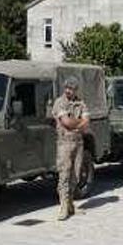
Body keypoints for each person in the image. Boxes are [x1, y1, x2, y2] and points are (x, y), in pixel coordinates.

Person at [52, 76, 90, 221]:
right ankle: (63, 206)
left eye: (72, 88)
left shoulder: (80, 103)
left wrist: (76, 124)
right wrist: (79, 123)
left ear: (75, 90)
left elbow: (87, 123)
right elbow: (66, 122)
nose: (68, 90)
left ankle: (70, 204)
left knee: (76, 174)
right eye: (67, 88)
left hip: (78, 142)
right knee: (64, 174)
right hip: (65, 143)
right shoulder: (59, 103)